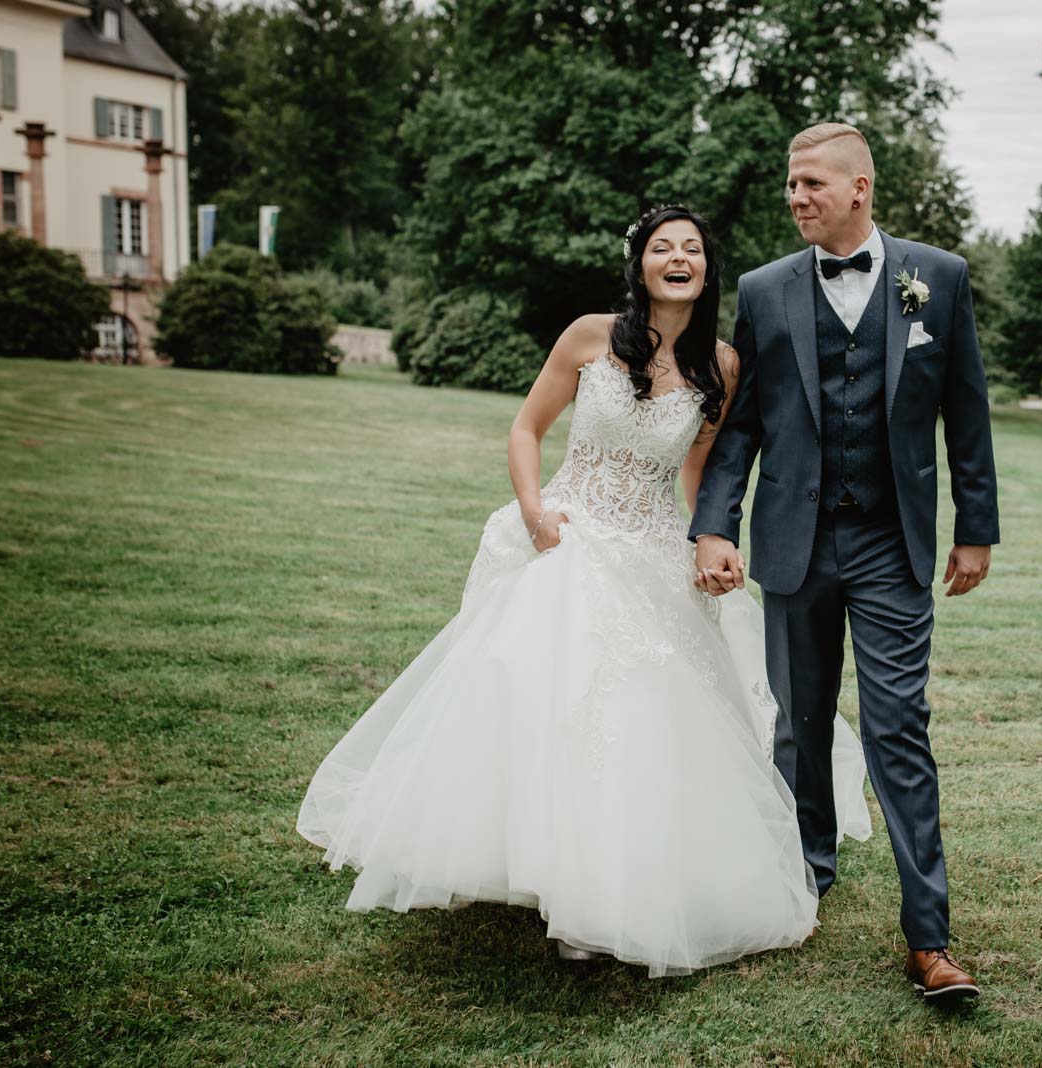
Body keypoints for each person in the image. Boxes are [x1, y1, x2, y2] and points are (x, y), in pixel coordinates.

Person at [297, 205, 871, 978]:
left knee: (645, 710)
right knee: (540, 690)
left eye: (692, 249)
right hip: (569, 534)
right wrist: (535, 510)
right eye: (662, 247)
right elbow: (526, 430)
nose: (677, 258)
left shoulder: (723, 366)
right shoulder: (588, 336)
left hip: (651, 544)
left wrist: (715, 538)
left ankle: (606, 887)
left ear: (707, 269)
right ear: (639, 265)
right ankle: (535, 862)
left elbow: (700, 474)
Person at [690, 123, 999, 1002]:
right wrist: (715, 524)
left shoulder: (936, 277)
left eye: (812, 184)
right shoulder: (763, 288)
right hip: (795, 540)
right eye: (791, 185)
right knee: (801, 724)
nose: (796, 198)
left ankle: (930, 938)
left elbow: (966, 411)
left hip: (892, 544)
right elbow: (742, 423)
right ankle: (804, 879)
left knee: (900, 727)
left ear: (861, 187)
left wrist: (975, 528)